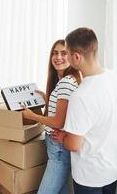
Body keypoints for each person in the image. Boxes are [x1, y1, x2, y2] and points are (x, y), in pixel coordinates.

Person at [51, 27, 117, 194]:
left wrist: (63, 137)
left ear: (76, 57)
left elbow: (74, 145)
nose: (64, 57)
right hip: (112, 170)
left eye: (66, 53)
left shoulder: (82, 96)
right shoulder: (114, 78)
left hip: (90, 178)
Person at [22, 39, 81, 194]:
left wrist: (32, 116)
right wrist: (48, 98)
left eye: (63, 53)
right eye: (55, 53)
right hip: (57, 146)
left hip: (59, 149)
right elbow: (64, 111)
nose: (58, 57)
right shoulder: (65, 81)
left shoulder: (66, 83)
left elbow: (58, 121)